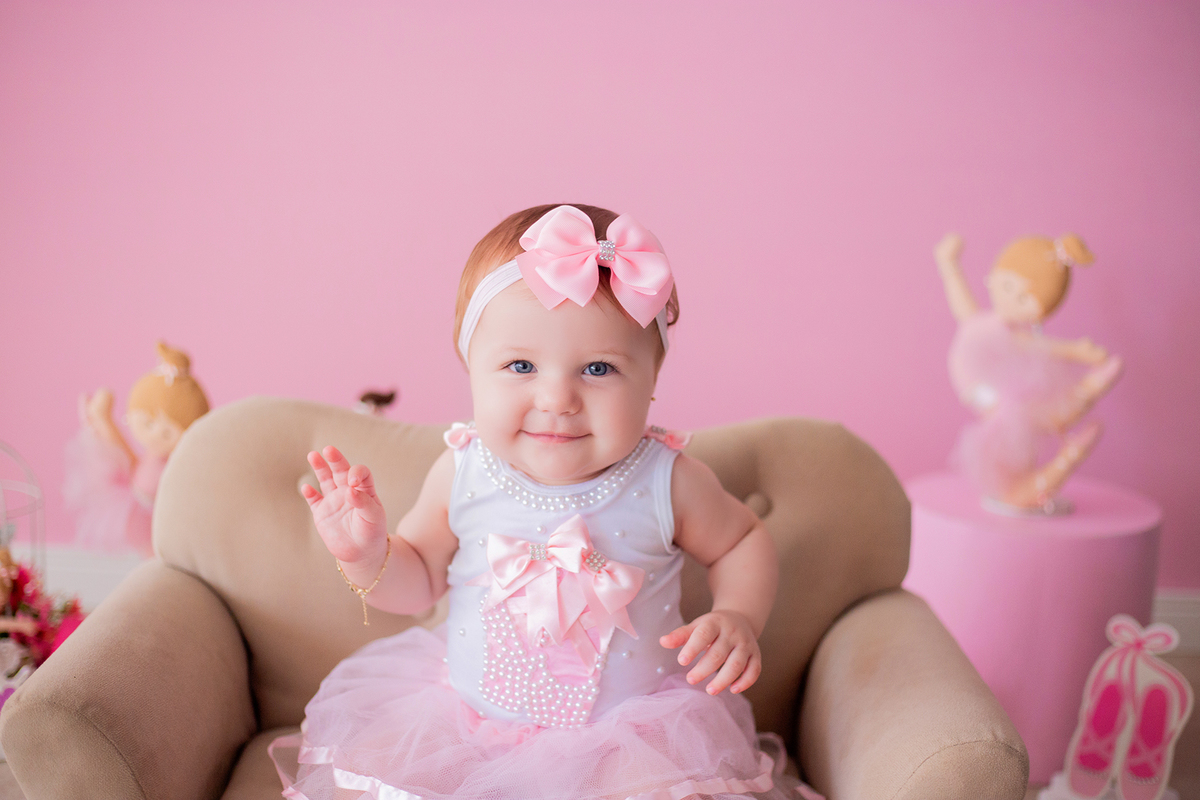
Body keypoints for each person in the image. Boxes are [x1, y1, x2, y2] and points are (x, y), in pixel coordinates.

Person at [270, 204, 819, 799]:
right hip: (469, 721)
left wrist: (738, 614)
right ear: (471, 369)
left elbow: (740, 540)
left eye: (599, 368)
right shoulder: (464, 469)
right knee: (377, 776)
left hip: (630, 732)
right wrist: (367, 554)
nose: (558, 398)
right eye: (521, 365)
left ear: (653, 381)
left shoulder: (667, 479)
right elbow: (420, 581)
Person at [934, 233, 1123, 512]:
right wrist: (950, 265)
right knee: (1019, 420)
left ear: (1040, 312)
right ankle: (1067, 429)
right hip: (985, 392)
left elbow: (1039, 344)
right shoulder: (980, 323)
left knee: (1021, 419)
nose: (1011, 298)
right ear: (995, 276)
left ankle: (1074, 415)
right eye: (1008, 286)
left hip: (992, 395)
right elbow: (961, 299)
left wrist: (1077, 350)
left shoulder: (1010, 334)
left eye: (1024, 297)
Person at [64, 341, 210, 555]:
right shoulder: (151, 458)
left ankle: (102, 421)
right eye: (148, 424)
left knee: (160, 550)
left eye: (167, 432)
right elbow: (132, 462)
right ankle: (102, 420)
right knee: (121, 456)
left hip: (159, 511)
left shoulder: (181, 460)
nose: (156, 435)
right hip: (136, 499)